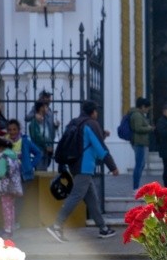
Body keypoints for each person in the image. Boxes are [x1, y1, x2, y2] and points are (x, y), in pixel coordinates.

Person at [46, 101, 119, 242]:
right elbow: (99, 147)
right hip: (84, 167)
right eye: (96, 112)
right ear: (93, 112)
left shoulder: (75, 122)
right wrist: (112, 166)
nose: (97, 114)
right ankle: (56, 226)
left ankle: (103, 228)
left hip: (75, 165)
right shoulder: (91, 124)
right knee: (75, 197)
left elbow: (83, 142)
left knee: (92, 198)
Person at [6, 119, 42, 229]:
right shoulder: (5, 142)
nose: (12, 132)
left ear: (19, 130)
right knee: (9, 199)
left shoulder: (25, 141)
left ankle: (15, 221)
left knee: (19, 199)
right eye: (10, 130)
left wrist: (30, 165)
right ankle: (9, 221)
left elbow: (39, 153)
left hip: (23, 175)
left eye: (14, 129)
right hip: (9, 175)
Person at [0, 138, 23, 239]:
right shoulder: (14, 156)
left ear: (0, 148)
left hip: (5, 188)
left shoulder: (3, 158)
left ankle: (7, 229)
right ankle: (11, 228)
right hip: (15, 186)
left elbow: (1, 173)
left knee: (6, 209)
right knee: (11, 208)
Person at [130, 97, 154, 191]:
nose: (147, 110)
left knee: (141, 164)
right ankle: (135, 187)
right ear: (143, 106)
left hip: (141, 142)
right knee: (139, 164)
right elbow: (138, 128)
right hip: (139, 142)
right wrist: (149, 128)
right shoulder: (137, 115)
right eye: (147, 108)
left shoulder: (139, 115)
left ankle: (136, 185)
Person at [28, 101, 54, 170]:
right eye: (45, 107)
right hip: (39, 149)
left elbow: (49, 134)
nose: (47, 109)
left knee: (44, 170)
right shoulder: (34, 122)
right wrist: (46, 146)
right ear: (41, 108)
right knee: (40, 171)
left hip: (47, 149)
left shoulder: (45, 120)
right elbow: (37, 137)